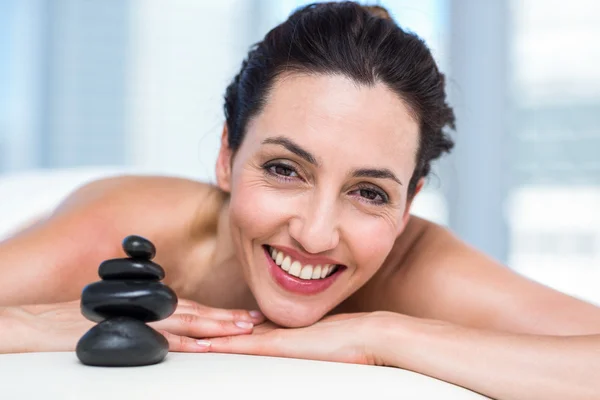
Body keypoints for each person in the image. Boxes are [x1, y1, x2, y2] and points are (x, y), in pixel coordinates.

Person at [0, 2, 599, 398]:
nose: (315, 234)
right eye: (285, 169)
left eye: (369, 192)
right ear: (227, 156)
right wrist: (31, 320)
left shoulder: (416, 266)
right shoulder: (115, 229)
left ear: (409, 203)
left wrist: (384, 336)